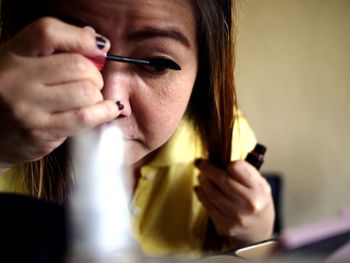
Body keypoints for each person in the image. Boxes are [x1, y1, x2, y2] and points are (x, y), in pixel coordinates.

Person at [0, 0, 275, 258]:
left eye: (156, 64)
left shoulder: (227, 142)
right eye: (71, 51)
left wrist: (256, 237)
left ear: (203, 73)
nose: (109, 100)